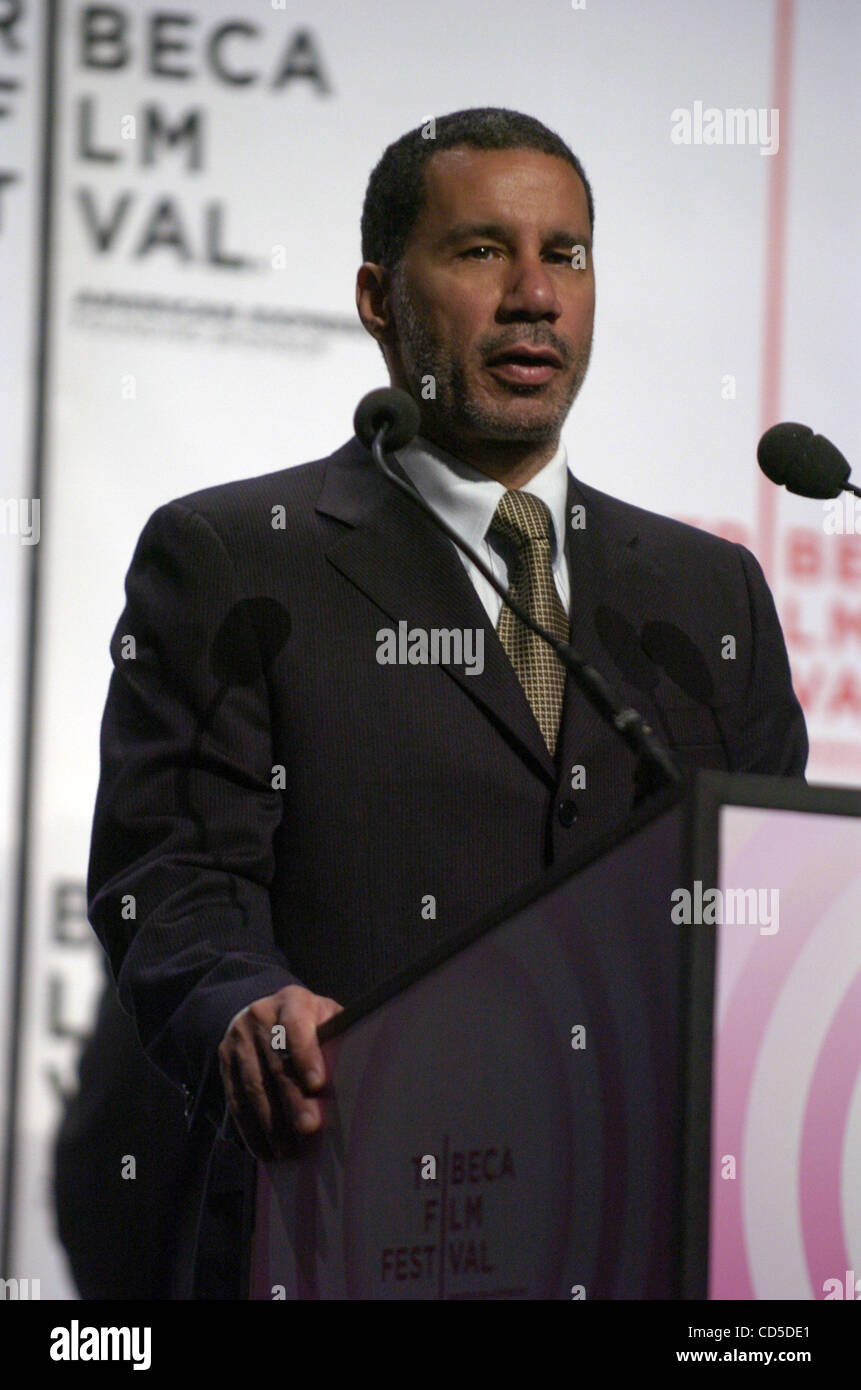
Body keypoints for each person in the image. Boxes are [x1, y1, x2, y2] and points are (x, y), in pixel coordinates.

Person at [87, 107, 807, 1298]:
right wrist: (243, 1005)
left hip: (650, 1239)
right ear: (380, 297)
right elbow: (171, 875)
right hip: (350, 1224)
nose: (536, 295)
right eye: (481, 252)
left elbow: (771, 898)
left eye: (565, 255)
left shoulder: (704, 592)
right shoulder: (235, 555)